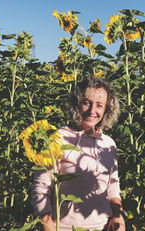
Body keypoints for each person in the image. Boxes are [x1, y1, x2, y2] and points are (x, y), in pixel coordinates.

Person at [31, 76, 125, 231]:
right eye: (86, 102)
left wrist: (118, 217)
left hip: (103, 227)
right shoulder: (58, 138)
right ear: (76, 103)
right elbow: (40, 189)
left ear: (107, 109)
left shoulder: (108, 144)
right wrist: (48, 226)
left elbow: (113, 187)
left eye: (99, 105)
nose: (92, 111)